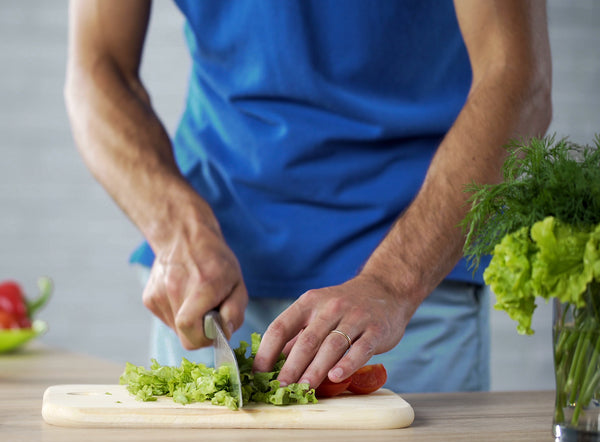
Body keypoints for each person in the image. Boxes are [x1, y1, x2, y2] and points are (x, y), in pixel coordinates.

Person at [65, 0, 552, 392]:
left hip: (409, 298)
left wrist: (391, 284)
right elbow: (96, 65)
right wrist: (176, 228)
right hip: (208, 294)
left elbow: (515, 74)